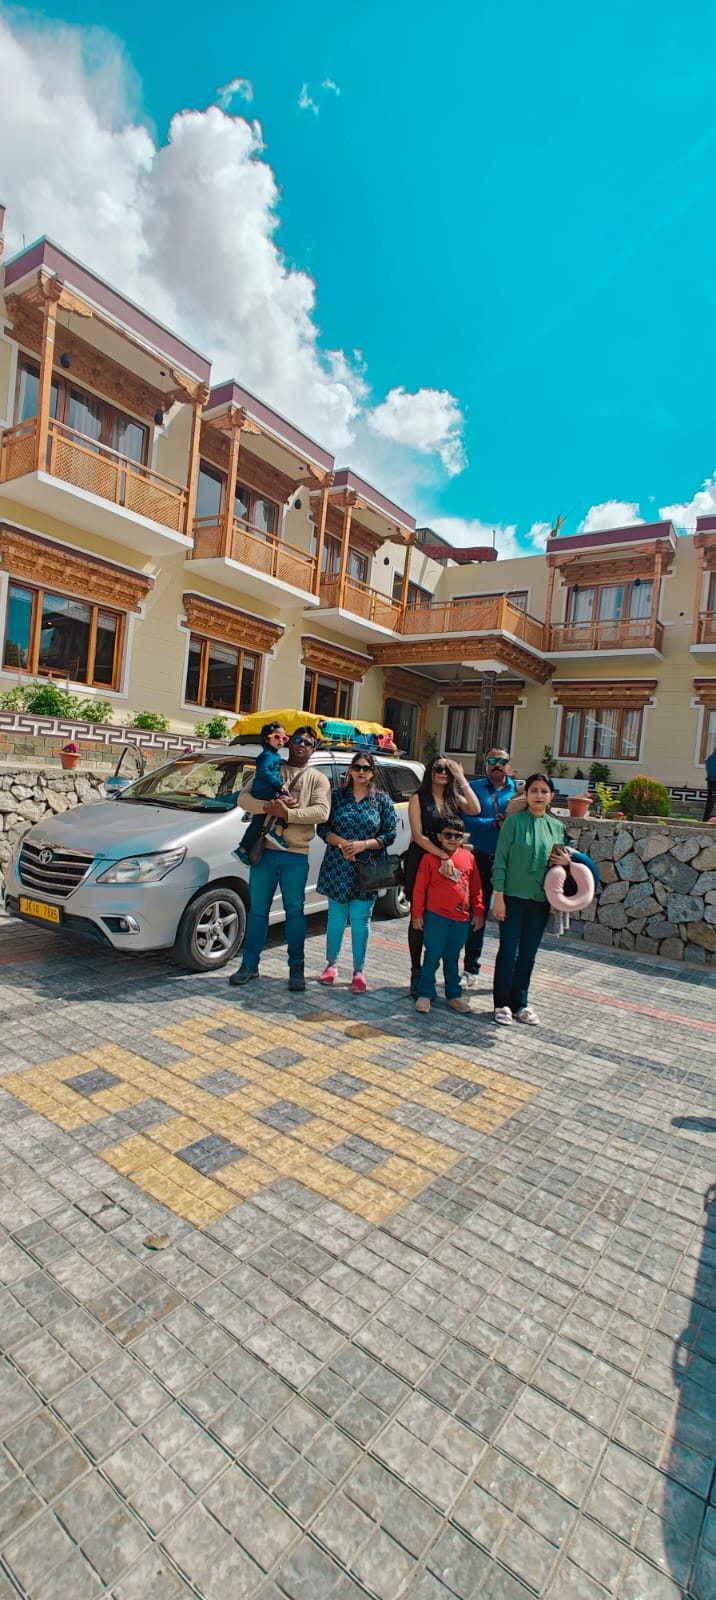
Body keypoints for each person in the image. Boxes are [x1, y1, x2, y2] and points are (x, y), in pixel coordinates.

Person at [230, 727, 331, 992]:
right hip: (264, 852)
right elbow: (243, 798)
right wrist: (267, 808)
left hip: (295, 856)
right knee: (258, 911)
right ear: (287, 743)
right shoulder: (271, 767)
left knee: (295, 913)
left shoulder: (317, 779)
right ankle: (249, 965)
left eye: (308, 743)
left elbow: (322, 812)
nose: (302, 745)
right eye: (297, 740)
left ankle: (296, 968)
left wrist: (287, 815)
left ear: (314, 748)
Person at [491, 772, 570, 1026]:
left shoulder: (557, 827)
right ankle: (501, 1003)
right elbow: (500, 861)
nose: (539, 795)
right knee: (508, 952)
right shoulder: (513, 823)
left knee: (528, 953)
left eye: (544, 791)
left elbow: (560, 865)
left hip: (540, 900)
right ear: (526, 794)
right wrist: (499, 897)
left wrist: (567, 862)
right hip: (512, 897)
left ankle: (520, 1003)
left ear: (551, 797)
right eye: (534, 790)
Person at [316, 751, 398, 992]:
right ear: (350, 770)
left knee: (361, 920)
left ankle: (358, 971)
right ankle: (331, 965)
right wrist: (343, 843)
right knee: (336, 918)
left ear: (372, 772)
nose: (361, 771)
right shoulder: (336, 797)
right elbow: (322, 827)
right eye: (357, 767)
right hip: (338, 864)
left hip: (367, 867)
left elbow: (390, 834)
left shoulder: (381, 801)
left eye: (366, 768)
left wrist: (363, 845)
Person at [404, 755, 480, 996]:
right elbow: (418, 835)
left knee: (442, 916)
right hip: (423, 858)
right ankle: (417, 973)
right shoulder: (418, 798)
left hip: (449, 863)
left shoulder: (453, 798)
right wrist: (442, 855)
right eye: (438, 768)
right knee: (418, 917)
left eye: (447, 770)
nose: (442, 773)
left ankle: (436, 974)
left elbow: (475, 808)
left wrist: (460, 776)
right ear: (430, 771)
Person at [412, 819, 484, 1014]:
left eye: (457, 836)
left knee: (452, 957)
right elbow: (419, 889)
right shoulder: (430, 859)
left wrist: (478, 911)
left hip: (460, 920)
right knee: (432, 956)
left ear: (463, 838)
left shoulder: (469, 858)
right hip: (436, 917)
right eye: (448, 835)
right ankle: (425, 992)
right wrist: (417, 914)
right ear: (439, 837)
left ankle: (453, 994)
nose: (452, 839)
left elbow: (476, 888)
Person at [462, 747, 518, 988]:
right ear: (486, 764)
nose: (497, 765)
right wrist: (493, 823)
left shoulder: (519, 791)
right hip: (481, 859)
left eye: (502, 761)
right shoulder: (474, 789)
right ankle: (470, 970)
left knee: (511, 919)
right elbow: (466, 820)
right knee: (477, 914)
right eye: (492, 760)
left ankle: (508, 974)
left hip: (511, 863)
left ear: (508, 764)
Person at [236, 722, 291, 864]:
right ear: (267, 738)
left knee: (257, 823)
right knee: (285, 802)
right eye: (277, 737)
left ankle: (243, 849)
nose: (281, 741)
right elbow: (265, 772)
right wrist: (280, 785)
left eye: (284, 739)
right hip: (264, 790)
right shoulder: (267, 755)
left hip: (264, 788)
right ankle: (277, 833)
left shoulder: (274, 755)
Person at [704, 744, 716, 822]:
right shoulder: (712, 758)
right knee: (711, 803)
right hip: (713, 783)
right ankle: (705, 820)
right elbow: (712, 773)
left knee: (711, 802)